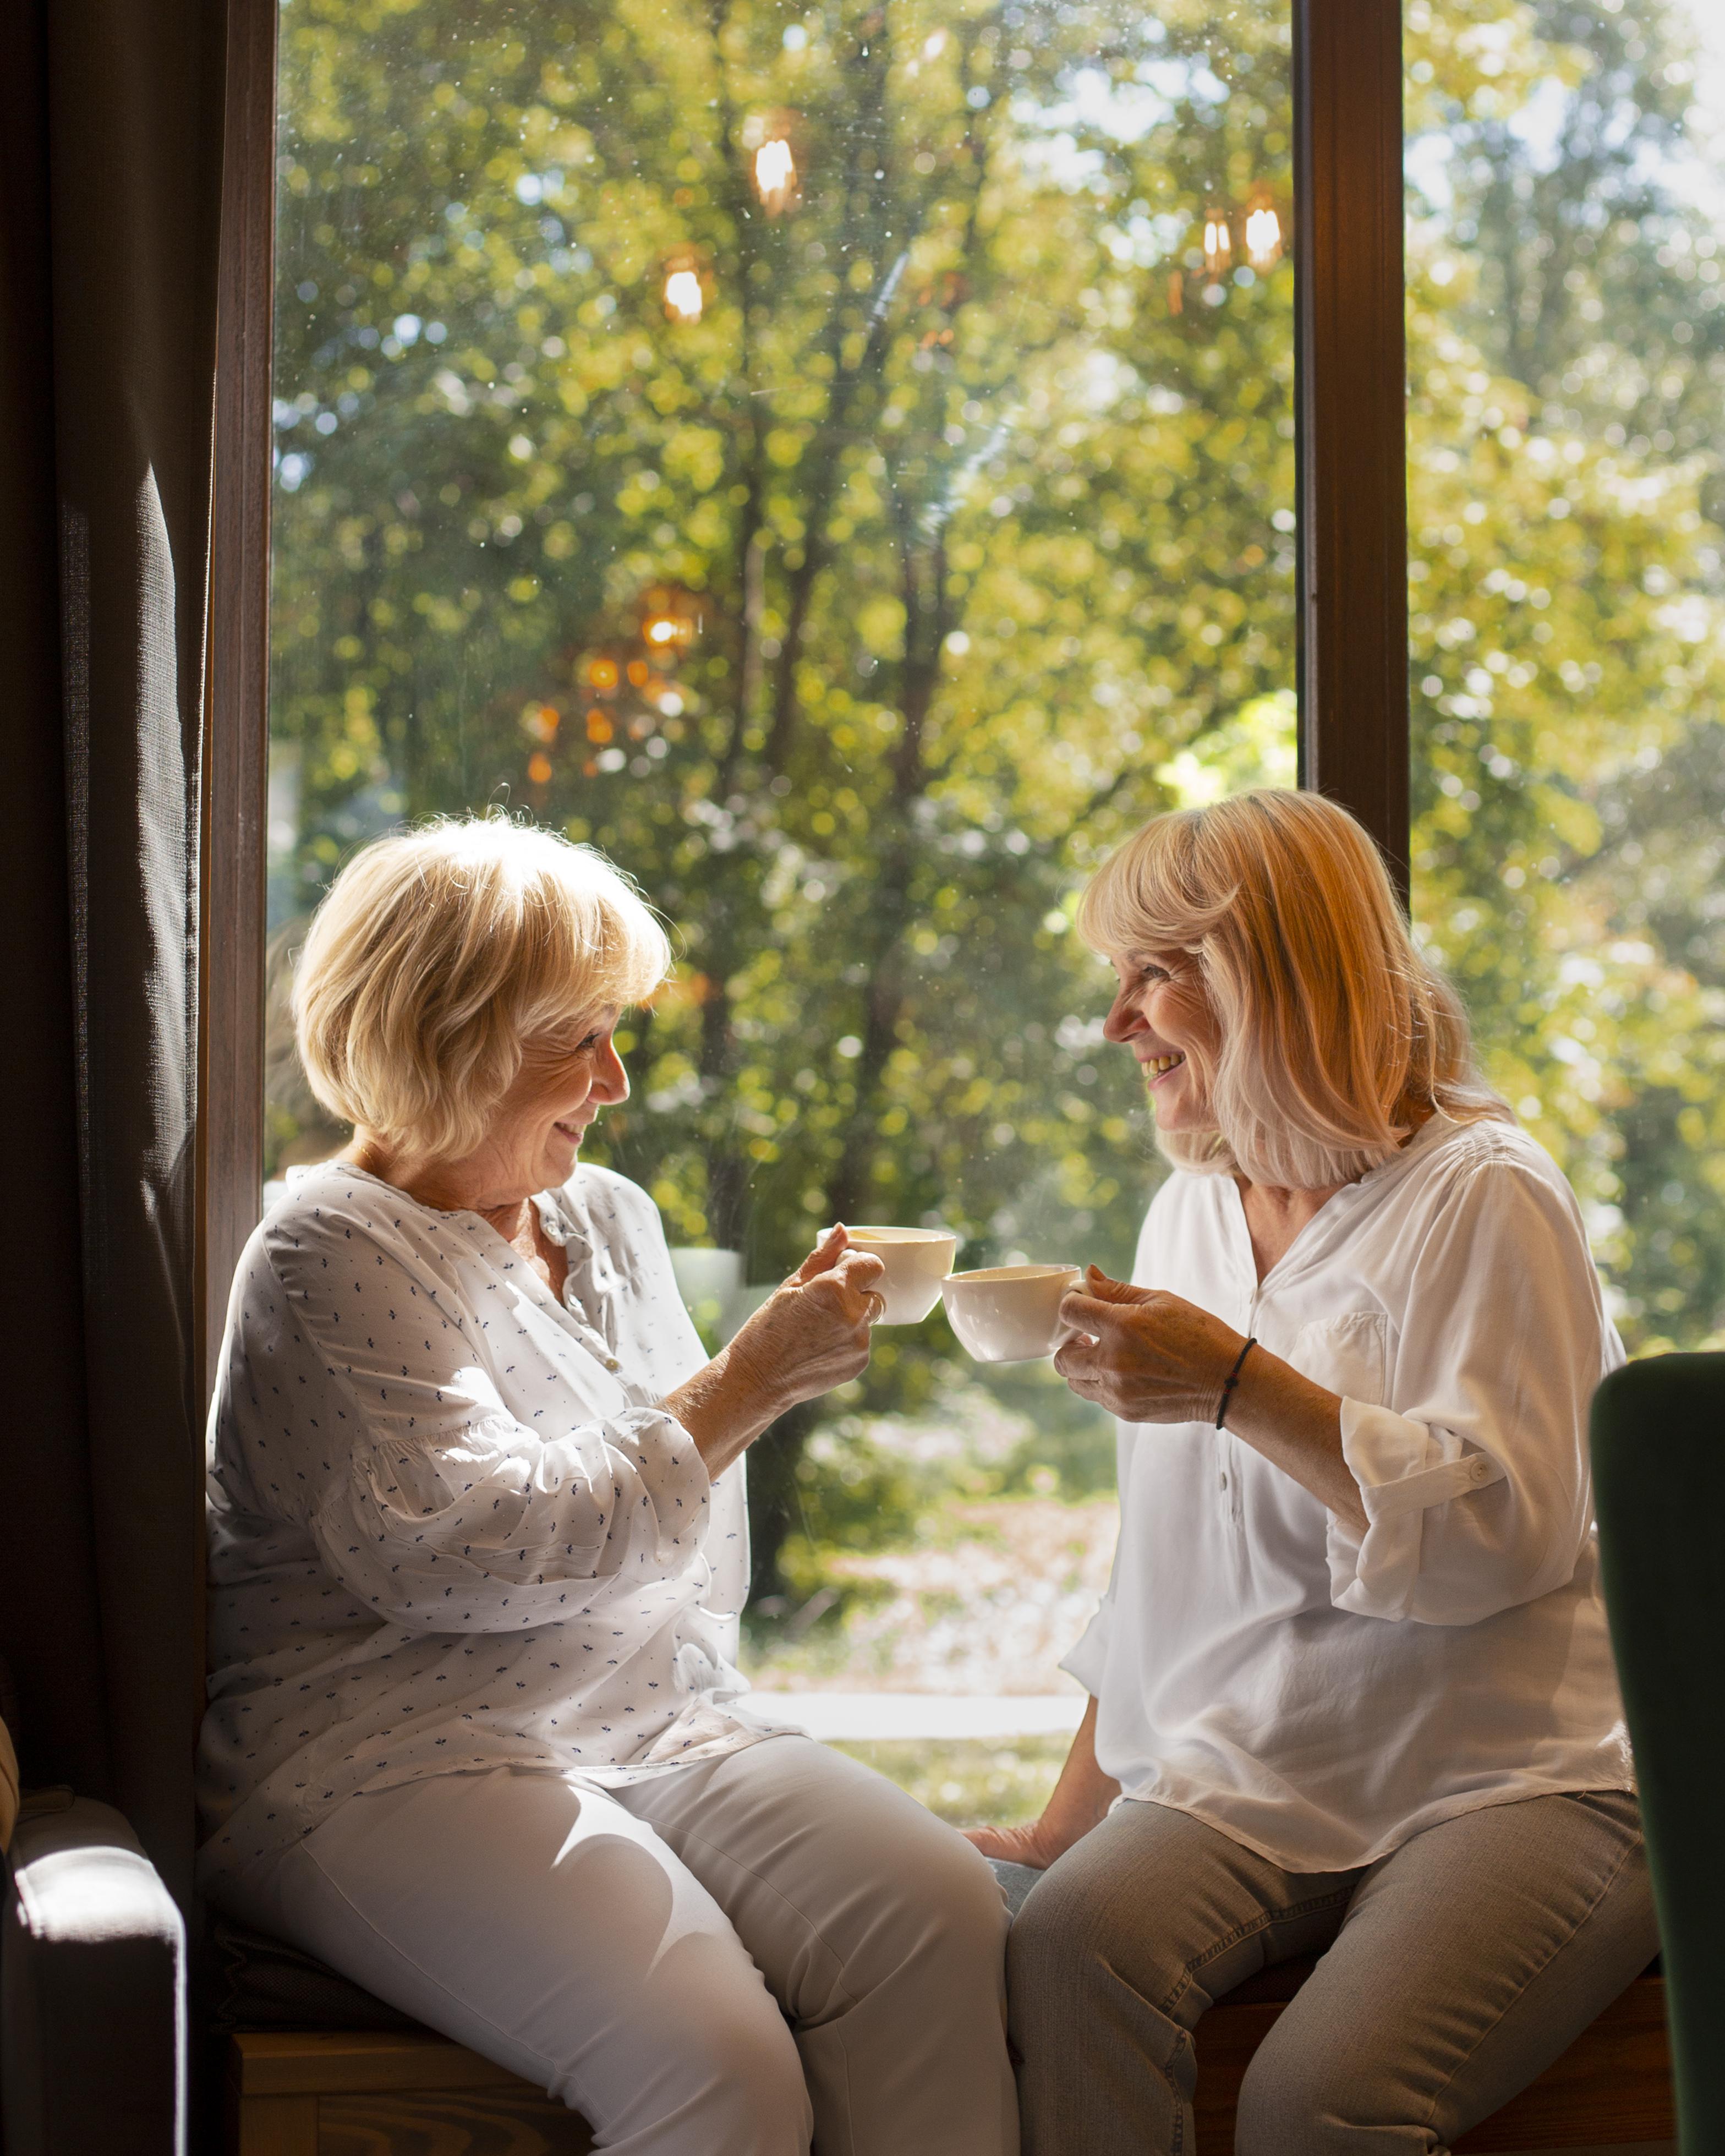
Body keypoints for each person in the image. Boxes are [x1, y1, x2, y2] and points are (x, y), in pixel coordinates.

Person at [198, 814, 1017, 2156]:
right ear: (447, 1036)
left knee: (935, 1908)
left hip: (649, 1720)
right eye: (578, 1038)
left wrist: (748, 1385)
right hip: (392, 1754)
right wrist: (748, 1382)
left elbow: (683, 1544)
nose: (618, 1078)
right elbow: (461, 1552)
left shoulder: (610, 1219)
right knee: (718, 2066)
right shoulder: (323, 1253)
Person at [968, 790, 1654, 2156]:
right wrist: (1061, 1830)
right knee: (1068, 1947)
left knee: (1315, 2102)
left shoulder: (1483, 1192)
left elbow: (1506, 1542)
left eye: (1153, 974)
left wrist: (1237, 1389)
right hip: (1268, 1768)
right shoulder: (1188, 1215)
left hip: (1517, 1775)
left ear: (1273, 978)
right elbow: (1164, 1573)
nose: (1116, 1024)